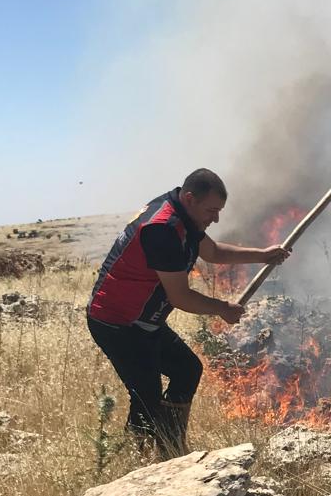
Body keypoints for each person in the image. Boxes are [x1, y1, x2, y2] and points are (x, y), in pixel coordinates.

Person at [87, 169, 288, 458]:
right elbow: (180, 297)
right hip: (117, 323)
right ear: (190, 198)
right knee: (146, 395)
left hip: (144, 322)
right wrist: (222, 309)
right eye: (212, 210)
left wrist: (263, 254)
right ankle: (136, 458)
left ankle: (171, 447)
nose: (216, 218)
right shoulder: (163, 230)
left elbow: (215, 252)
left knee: (187, 369)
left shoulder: (184, 214)